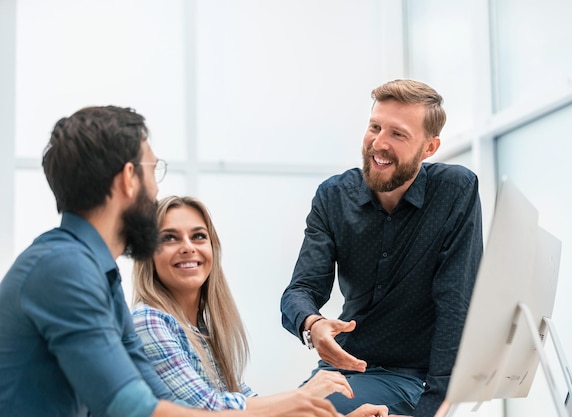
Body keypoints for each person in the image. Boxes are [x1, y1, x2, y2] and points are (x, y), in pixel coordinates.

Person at [0, 105, 351, 417]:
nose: (155, 190)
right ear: (128, 179)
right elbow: (133, 409)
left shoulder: (95, 274)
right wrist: (293, 402)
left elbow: (158, 398)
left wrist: (308, 409)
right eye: (154, 170)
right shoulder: (64, 270)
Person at [280, 79, 484, 417]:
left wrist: (431, 408)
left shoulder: (454, 190)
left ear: (429, 148)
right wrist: (313, 325)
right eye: (375, 127)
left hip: (412, 378)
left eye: (398, 134)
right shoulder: (333, 197)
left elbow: (455, 303)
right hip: (343, 371)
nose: (379, 143)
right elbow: (301, 289)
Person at [132, 195, 388, 417]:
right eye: (170, 238)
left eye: (198, 236)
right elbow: (208, 410)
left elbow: (253, 406)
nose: (188, 247)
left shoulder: (204, 332)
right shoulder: (149, 321)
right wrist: (305, 396)